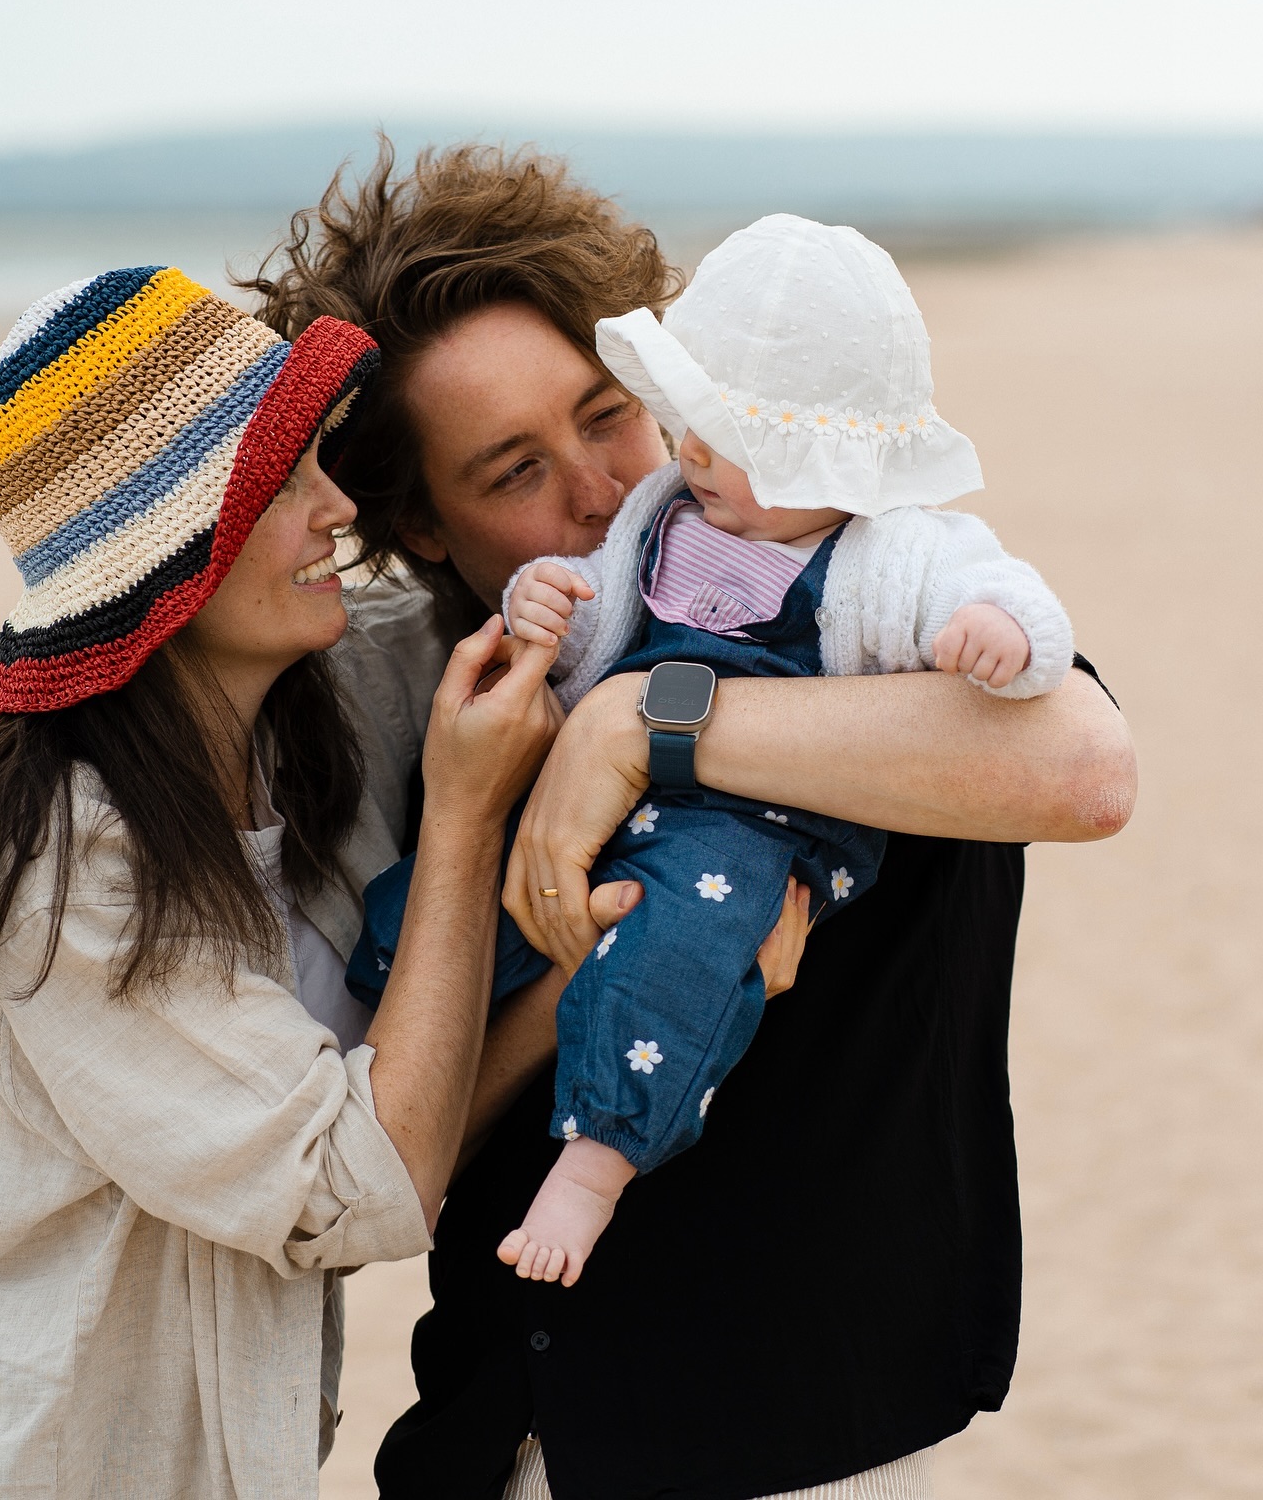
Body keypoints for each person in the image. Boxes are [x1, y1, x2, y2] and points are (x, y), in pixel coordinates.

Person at [249, 143, 1137, 1500]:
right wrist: (564, 934)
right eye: (514, 471)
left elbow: (1085, 769)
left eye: (611, 414)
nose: (605, 490)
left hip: (794, 1439)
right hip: (499, 1428)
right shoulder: (460, 722)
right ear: (423, 525)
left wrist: (645, 727)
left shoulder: (872, 591)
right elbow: (401, 1165)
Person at [0, 265, 603, 1498]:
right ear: (173, 552)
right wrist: (468, 827)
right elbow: (371, 1182)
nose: (336, 509)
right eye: (281, 482)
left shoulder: (326, 701)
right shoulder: (59, 854)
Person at [483, 212, 1076, 1285]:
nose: (695, 454)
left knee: (682, 955)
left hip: (755, 826)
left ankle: (592, 1167)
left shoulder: (895, 555)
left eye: (738, 438)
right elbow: (598, 622)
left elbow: (1016, 604)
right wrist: (544, 608)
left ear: (837, 455)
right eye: (688, 421)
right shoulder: (668, 511)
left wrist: (1001, 636)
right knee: (479, 903)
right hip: (619, 813)